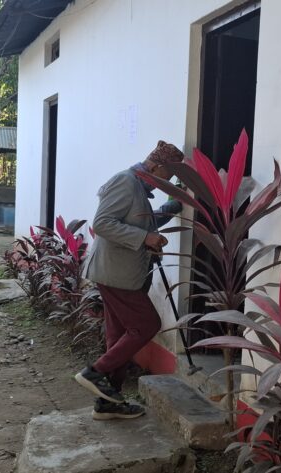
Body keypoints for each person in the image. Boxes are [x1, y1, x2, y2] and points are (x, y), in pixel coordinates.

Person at [74, 140, 184, 420]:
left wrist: (176, 203)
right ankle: (94, 372)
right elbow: (102, 223)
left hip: (119, 273)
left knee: (118, 335)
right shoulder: (124, 181)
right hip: (115, 273)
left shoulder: (138, 187)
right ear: (155, 167)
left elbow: (143, 222)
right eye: (167, 178)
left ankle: (107, 402)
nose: (165, 184)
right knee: (147, 324)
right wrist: (146, 238)